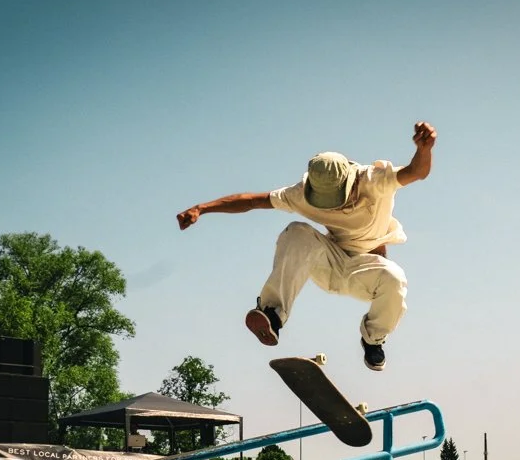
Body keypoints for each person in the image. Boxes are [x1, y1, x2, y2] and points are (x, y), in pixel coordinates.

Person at [176, 122, 437, 371]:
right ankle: (273, 314)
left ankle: (373, 340)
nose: (332, 208)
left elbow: (416, 172)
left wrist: (424, 149)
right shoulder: (302, 194)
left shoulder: (374, 180)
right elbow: (252, 201)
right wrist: (202, 209)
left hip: (366, 271)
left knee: (395, 278)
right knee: (297, 233)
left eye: (337, 201)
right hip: (328, 262)